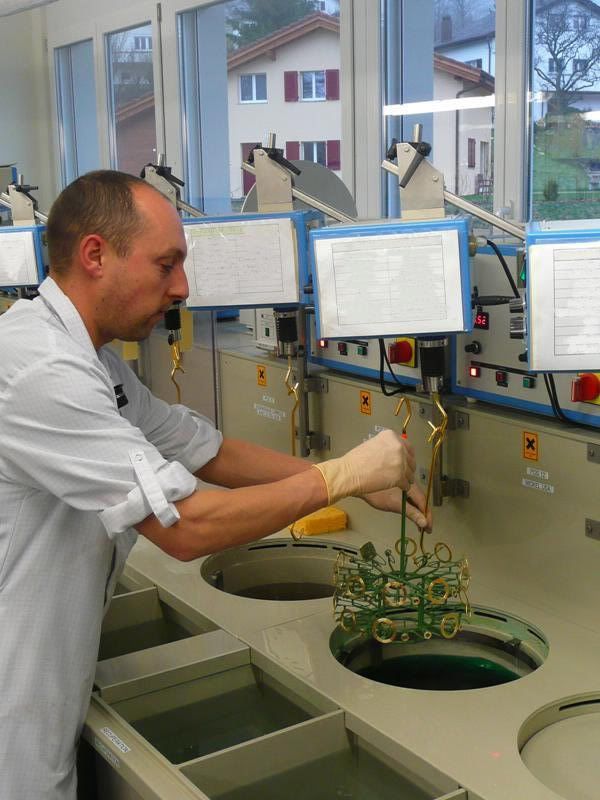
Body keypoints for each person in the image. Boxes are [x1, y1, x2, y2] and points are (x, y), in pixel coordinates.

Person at [0, 170, 430, 799]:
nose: (182, 286)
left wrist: (356, 484)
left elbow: (206, 450)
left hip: (46, 668)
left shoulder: (90, 360)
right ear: (95, 255)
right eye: (166, 264)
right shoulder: (39, 369)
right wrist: (341, 475)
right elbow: (186, 527)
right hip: (16, 699)